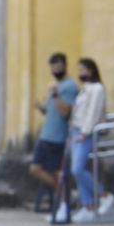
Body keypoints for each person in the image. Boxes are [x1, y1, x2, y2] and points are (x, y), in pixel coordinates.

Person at [30, 51, 79, 214]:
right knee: (35, 168)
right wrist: (40, 106)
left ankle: (65, 202)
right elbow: (50, 110)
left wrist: (56, 94)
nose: (55, 70)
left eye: (57, 66)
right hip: (46, 135)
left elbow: (66, 112)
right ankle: (65, 195)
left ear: (64, 66)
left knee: (58, 173)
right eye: (52, 67)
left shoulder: (70, 86)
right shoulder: (55, 85)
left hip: (58, 136)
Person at [69, 57, 114, 222]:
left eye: (83, 70)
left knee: (77, 169)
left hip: (86, 132)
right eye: (79, 70)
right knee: (78, 169)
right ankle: (88, 206)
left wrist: (85, 132)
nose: (80, 73)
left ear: (91, 70)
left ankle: (104, 195)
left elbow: (93, 112)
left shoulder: (97, 88)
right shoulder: (85, 89)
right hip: (77, 129)